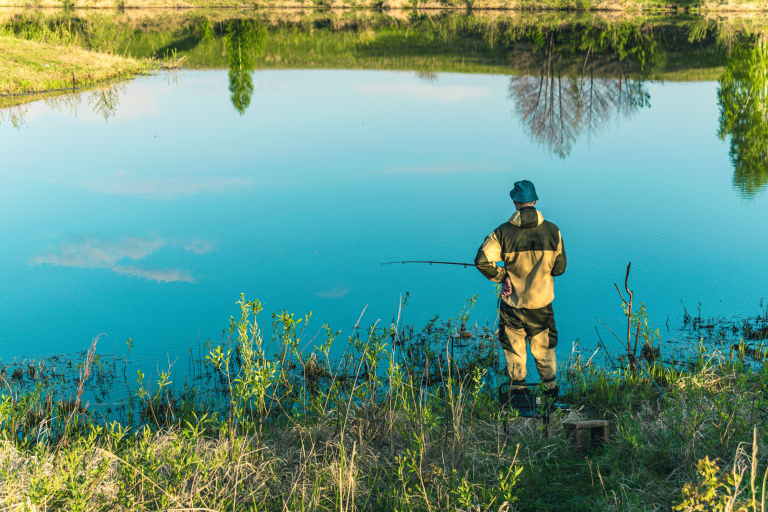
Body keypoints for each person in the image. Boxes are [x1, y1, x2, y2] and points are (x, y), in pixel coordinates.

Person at [474, 180, 566, 402]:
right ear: (534, 201)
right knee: (544, 351)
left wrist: (502, 277)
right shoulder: (553, 230)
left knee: (515, 351)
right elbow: (560, 268)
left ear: (515, 202)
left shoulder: (502, 232)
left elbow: (481, 261)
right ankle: (550, 397)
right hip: (542, 306)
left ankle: (519, 398)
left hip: (512, 307)